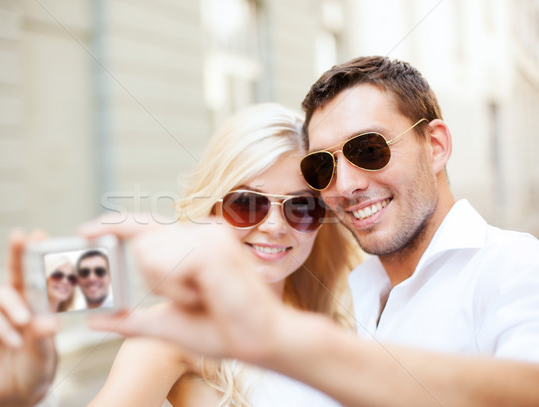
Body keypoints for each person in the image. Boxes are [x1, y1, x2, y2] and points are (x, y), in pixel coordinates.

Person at [83, 56, 539, 406]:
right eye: (246, 203)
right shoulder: (361, 297)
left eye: (369, 149)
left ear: (435, 145)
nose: (347, 184)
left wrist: (276, 335)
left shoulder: (514, 268)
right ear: (212, 209)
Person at [0, 103, 361, 406]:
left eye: (301, 208)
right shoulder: (170, 335)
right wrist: (19, 400)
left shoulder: (341, 321)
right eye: (247, 203)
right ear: (210, 210)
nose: (275, 226)